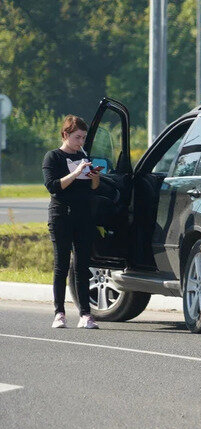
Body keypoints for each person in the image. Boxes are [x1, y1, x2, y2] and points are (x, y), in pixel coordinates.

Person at [42, 115, 101, 329]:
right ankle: (59, 313)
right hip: (61, 216)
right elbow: (54, 187)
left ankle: (85, 314)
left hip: (83, 217)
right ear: (65, 135)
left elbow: (93, 189)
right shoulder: (53, 157)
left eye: (84, 138)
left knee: (82, 265)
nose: (81, 142)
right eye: (77, 137)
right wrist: (76, 172)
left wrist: (94, 177)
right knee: (62, 265)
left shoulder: (84, 156)